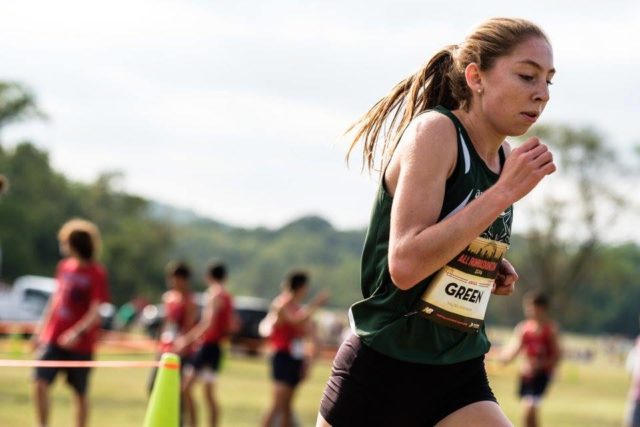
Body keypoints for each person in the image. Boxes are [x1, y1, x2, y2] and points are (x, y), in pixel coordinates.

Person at [317, 17, 556, 427]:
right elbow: (406, 264)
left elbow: (447, 240)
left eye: (549, 81)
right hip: (385, 368)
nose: (542, 94)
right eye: (527, 76)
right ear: (476, 77)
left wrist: (481, 267)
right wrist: (502, 194)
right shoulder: (436, 132)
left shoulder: (503, 158)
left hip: (456, 369)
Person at [32, 218, 110, 427]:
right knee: (39, 383)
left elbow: (96, 310)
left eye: (65, 241)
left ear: (75, 243)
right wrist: (41, 330)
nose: (62, 246)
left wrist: (77, 332)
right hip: (53, 338)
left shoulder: (96, 272)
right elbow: (55, 301)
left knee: (80, 393)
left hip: (81, 344)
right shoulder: (64, 267)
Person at [261, 271, 329, 427]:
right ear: (300, 287)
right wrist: (316, 304)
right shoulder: (281, 304)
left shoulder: (296, 307)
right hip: (283, 357)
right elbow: (296, 321)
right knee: (277, 404)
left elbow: (308, 332)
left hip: (294, 358)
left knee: (286, 407)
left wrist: (308, 362)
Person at [174, 260, 235, 427]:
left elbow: (208, 323)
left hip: (208, 346)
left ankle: (192, 424)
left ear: (208, 276)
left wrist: (186, 340)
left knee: (186, 388)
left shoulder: (214, 294)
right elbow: (232, 324)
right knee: (208, 394)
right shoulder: (227, 296)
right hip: (217, 347)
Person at [500, 291, 561, 427]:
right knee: (527, 413)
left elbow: (557, 356)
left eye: (532, 307)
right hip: (526, 376)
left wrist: (540, 365)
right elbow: (515, 348)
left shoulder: (550, 330)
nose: (529, 310)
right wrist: (504, 358)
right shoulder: (524, 329)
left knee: (529, 408)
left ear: (542, 308)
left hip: (542, 375)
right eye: (527, 306)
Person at [149, 261, 198, 425]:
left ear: (183, 279)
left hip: (180, 353)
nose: (172, 282)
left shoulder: (190, 301)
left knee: (177, 393)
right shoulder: (169, 298)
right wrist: (159, 340)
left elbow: (190, 328)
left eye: (175, 279)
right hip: (165, 349)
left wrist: (184, 344)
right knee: (152, 386)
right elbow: (166, 323)